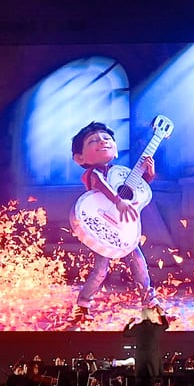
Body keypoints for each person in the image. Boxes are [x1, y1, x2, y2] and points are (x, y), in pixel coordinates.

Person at [70, 121, 157, 322]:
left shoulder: (120, 174)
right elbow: (101, 185)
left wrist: (149, 174)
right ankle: (82, 306)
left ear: (116, 149)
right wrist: (118, 201)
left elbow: (138, 190)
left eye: (107, 138)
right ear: (79, 158)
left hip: (124, 229)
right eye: (93, 141)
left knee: (140, 265)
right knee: (101, 271)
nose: (102, 141)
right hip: (104, 228)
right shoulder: (93, 173)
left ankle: (151, 307)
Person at [124, 305, 170, 386]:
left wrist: (128, 323)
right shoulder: (155, 327)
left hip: (141, 361)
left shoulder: (137, 327)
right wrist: (161, 314)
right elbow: (166, 325)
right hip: (153, 361)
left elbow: (125, 334)